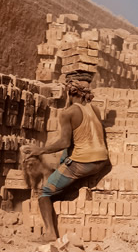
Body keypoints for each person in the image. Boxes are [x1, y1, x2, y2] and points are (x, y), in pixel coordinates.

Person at [23, 71, 111, 241]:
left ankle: (49, 233)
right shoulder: (94, 109)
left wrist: (40, 150)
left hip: (84, 163)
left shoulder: (68, 113)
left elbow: (64, 142)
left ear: (69, 91)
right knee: (65, 164)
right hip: (102, 160)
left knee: (45, 193)